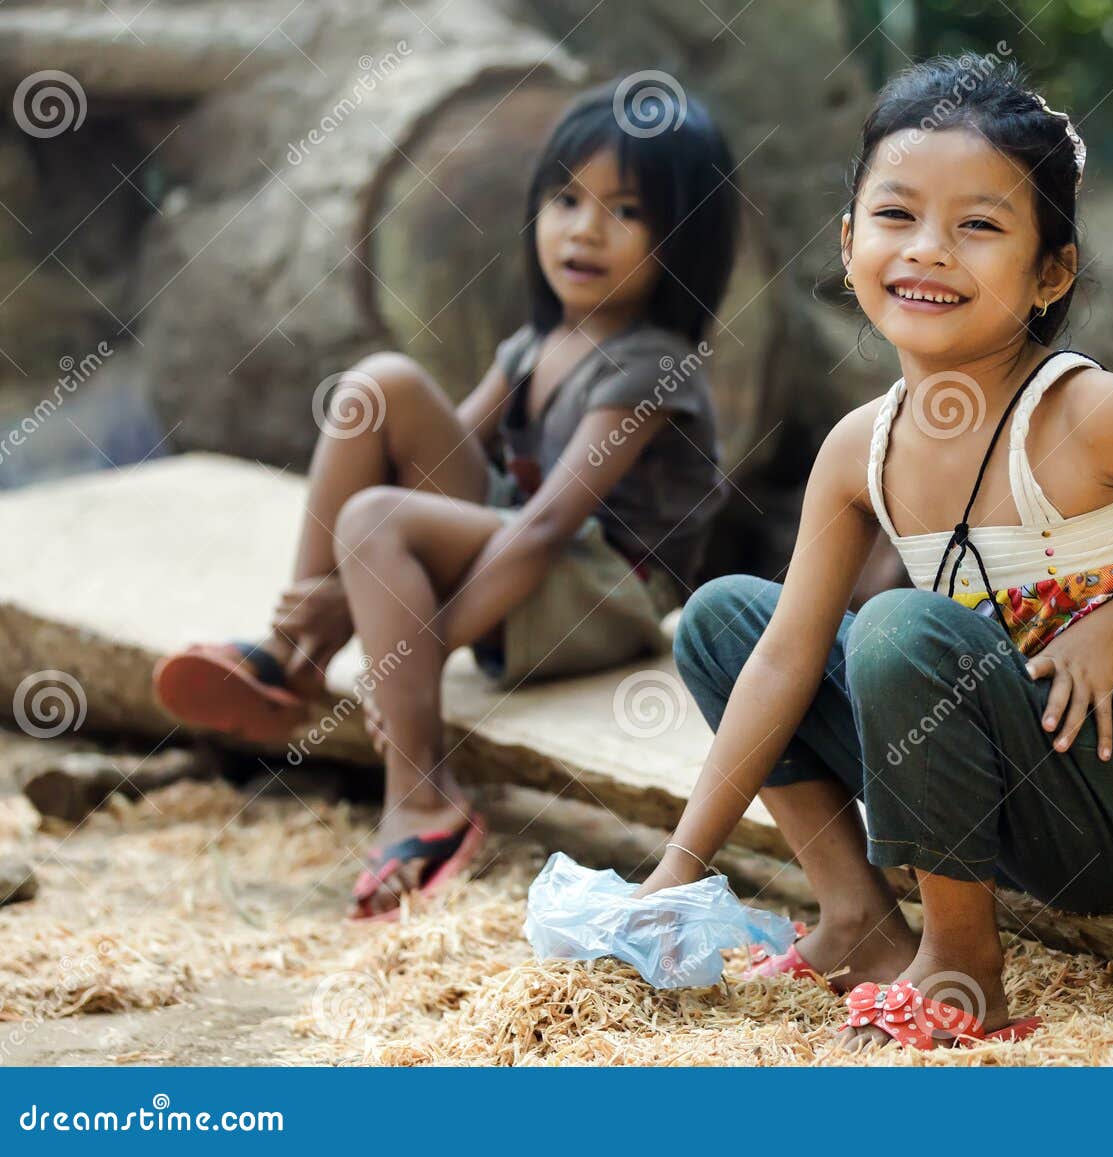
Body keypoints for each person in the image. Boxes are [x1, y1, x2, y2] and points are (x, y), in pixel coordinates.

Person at [636, 58, 1113, 1050]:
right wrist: (681, 858)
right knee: (723, 618)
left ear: (1050, 272)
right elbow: (787, 657)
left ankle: (965, 962)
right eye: (895, 215)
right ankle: (860, 919)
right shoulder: (858, 448)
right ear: (847, 244)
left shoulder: (1088, 415)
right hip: (995, 794)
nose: (928, 251)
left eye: (978, 225)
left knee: (899, 627)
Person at [152, 79, 740, 920]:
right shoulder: (539, 345)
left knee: (373, 521)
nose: (584, 228)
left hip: (602, 593)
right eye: (566, 198)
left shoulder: (650, 367)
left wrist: (410, 653)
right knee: (378, 385)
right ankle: (294, 648)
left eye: (626, 211)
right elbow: (426, 456)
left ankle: (421, 795)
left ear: (685, 237)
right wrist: (345, 596)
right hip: (526, 561)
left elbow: (543, 528)